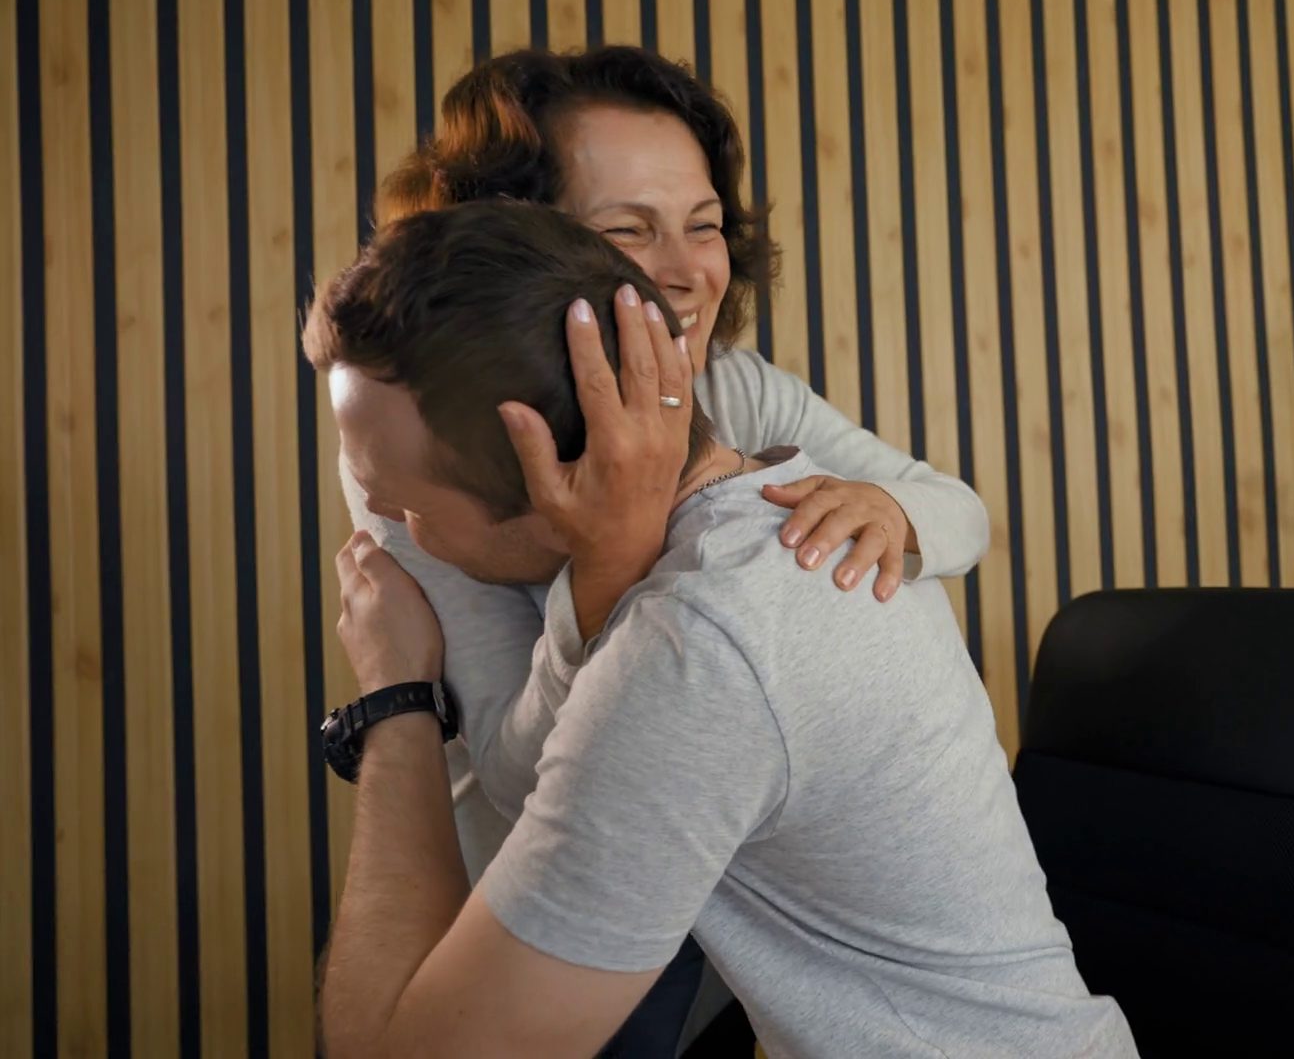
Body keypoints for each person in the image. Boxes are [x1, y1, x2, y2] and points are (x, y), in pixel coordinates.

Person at [309, 199, 1135, 1058]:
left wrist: (396, 700)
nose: (388, 526)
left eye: (404, 503)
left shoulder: (699, 647)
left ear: (549, 475)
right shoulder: (777, 517)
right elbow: (531, 771)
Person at [349, 46, 990, 1051]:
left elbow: (959, 510)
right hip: (541, 882)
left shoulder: (736, 391)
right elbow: (519, 778)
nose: (689, 271)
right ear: (514, 250)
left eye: (703, 225)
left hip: (740, 879)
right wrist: (611, 568)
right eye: (628, 231)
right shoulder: (430, 449)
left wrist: (886, 509)